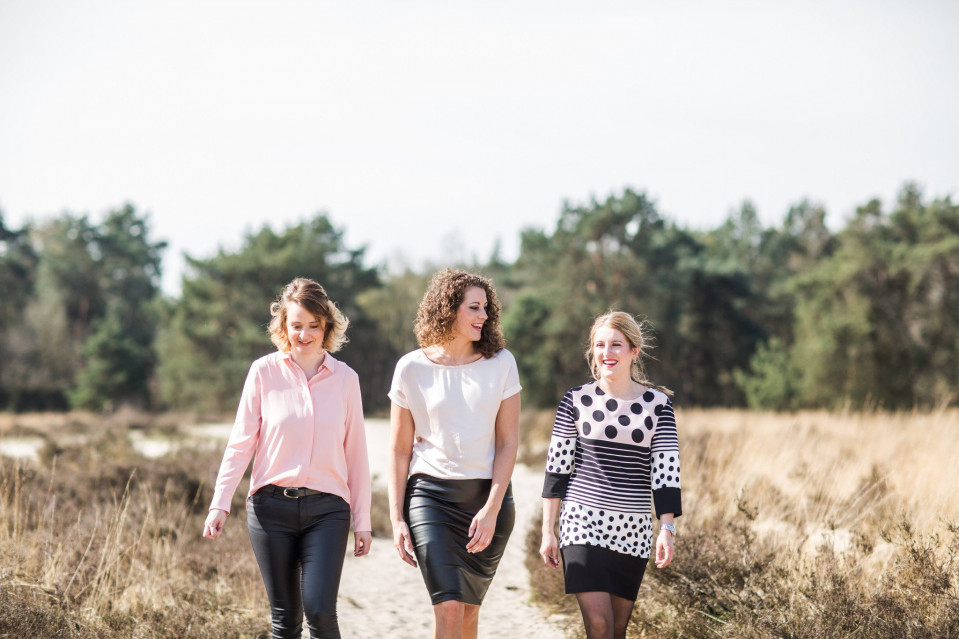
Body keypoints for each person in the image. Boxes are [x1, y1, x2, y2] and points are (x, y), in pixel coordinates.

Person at [202, 277, 371, 639]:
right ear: (284, 326)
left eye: (313, 325)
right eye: (297, 325)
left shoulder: (346, 380)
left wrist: (363, 520)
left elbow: (356, 452)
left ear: (326, 326)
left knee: (321, 612)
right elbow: (240, 443)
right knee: (285, 621)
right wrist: (220, 504)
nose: (305, 334)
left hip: (328, 510)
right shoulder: (263, 373)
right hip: (269, 510)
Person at [387, 268, 521, 639]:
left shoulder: (502, 364)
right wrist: (397, 519)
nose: (484, 316)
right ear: (448, 309)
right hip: (431, 498)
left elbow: (509, 443)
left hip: (487, 501)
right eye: (474, 307)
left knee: (467, 616)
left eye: (486, 308)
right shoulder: (411, 368)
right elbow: (399, 450)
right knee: (447, 610)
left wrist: (492, 509)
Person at [539, 310, 681, 639]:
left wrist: (667, 529)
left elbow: (666, 471)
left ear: (634, 350)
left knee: (617, 630)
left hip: (633, 531)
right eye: (600, 345)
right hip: (582, 523)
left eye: (616, 345)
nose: (607, 352)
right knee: (600, 626)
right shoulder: (575, 401)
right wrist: (549, 530)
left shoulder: (657, 405)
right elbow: (556, 469)